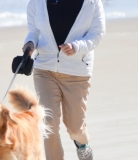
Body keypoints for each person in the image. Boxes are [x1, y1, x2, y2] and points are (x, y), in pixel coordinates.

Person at [22, 0, 106, 159]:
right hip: (44, 70)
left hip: (76, 72)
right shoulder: (37, 2)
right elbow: (34, 30)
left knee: (75, 128)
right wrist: (29, 45)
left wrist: (77, 46)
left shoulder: (92, 3)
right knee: (48, 124)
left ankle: (83, 144)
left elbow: (97, 33)